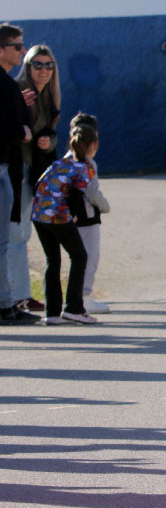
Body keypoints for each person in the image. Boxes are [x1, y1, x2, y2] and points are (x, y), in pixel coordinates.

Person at [8, 45, 62, 313]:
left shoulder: (48, 97)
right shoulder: (18, 91)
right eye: (37, 65)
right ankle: (14, 296)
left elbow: (49, 133)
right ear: (27, 67)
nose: (43, 70)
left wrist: (48, 140)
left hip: (32, 169)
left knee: (21, 234)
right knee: (15, 234)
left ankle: (20, 294)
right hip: (15, 168)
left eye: (48, 65)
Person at [31, 124, 100, 325]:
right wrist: (73, 215)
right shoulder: (85, 166)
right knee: (79, 256)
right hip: (58, 216)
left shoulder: (61, 162)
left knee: (53, 260)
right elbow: (77, 194)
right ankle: (74, 308)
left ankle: (52, 312)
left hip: (39, 215)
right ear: (93, 145)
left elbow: (41, 185)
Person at [0, 23, 39, 324]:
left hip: (5, 166)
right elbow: (9, 128)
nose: (22, 51)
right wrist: (22, 131)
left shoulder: (8, 85)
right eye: (17, 46)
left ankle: (7, 303)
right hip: (1, 168)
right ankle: (5, 306)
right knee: (2, 241)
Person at [67, 113, 111, 315]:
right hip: (86, 216)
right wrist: (104, 206)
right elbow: (92, 191)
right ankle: (83, 295)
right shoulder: (88, 164)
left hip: (70, 216)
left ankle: (75, 295)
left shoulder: (66, 160)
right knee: (89, 256)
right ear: (95, 142)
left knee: (76, 256)